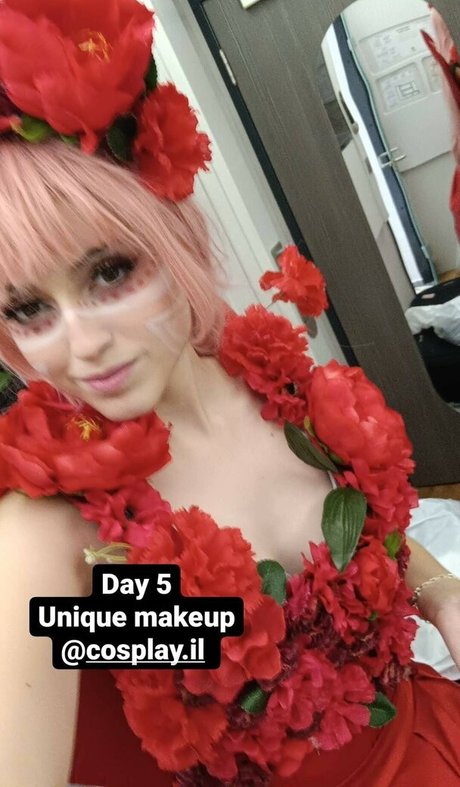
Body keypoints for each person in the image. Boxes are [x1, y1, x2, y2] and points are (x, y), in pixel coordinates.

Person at [0, 2, 459, 786]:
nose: (81, 343)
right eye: (27, 309)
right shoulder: (54, 530)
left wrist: (441, 591)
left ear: (176, 233)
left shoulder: (279, 383)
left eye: (110, 271)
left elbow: (365, 539)